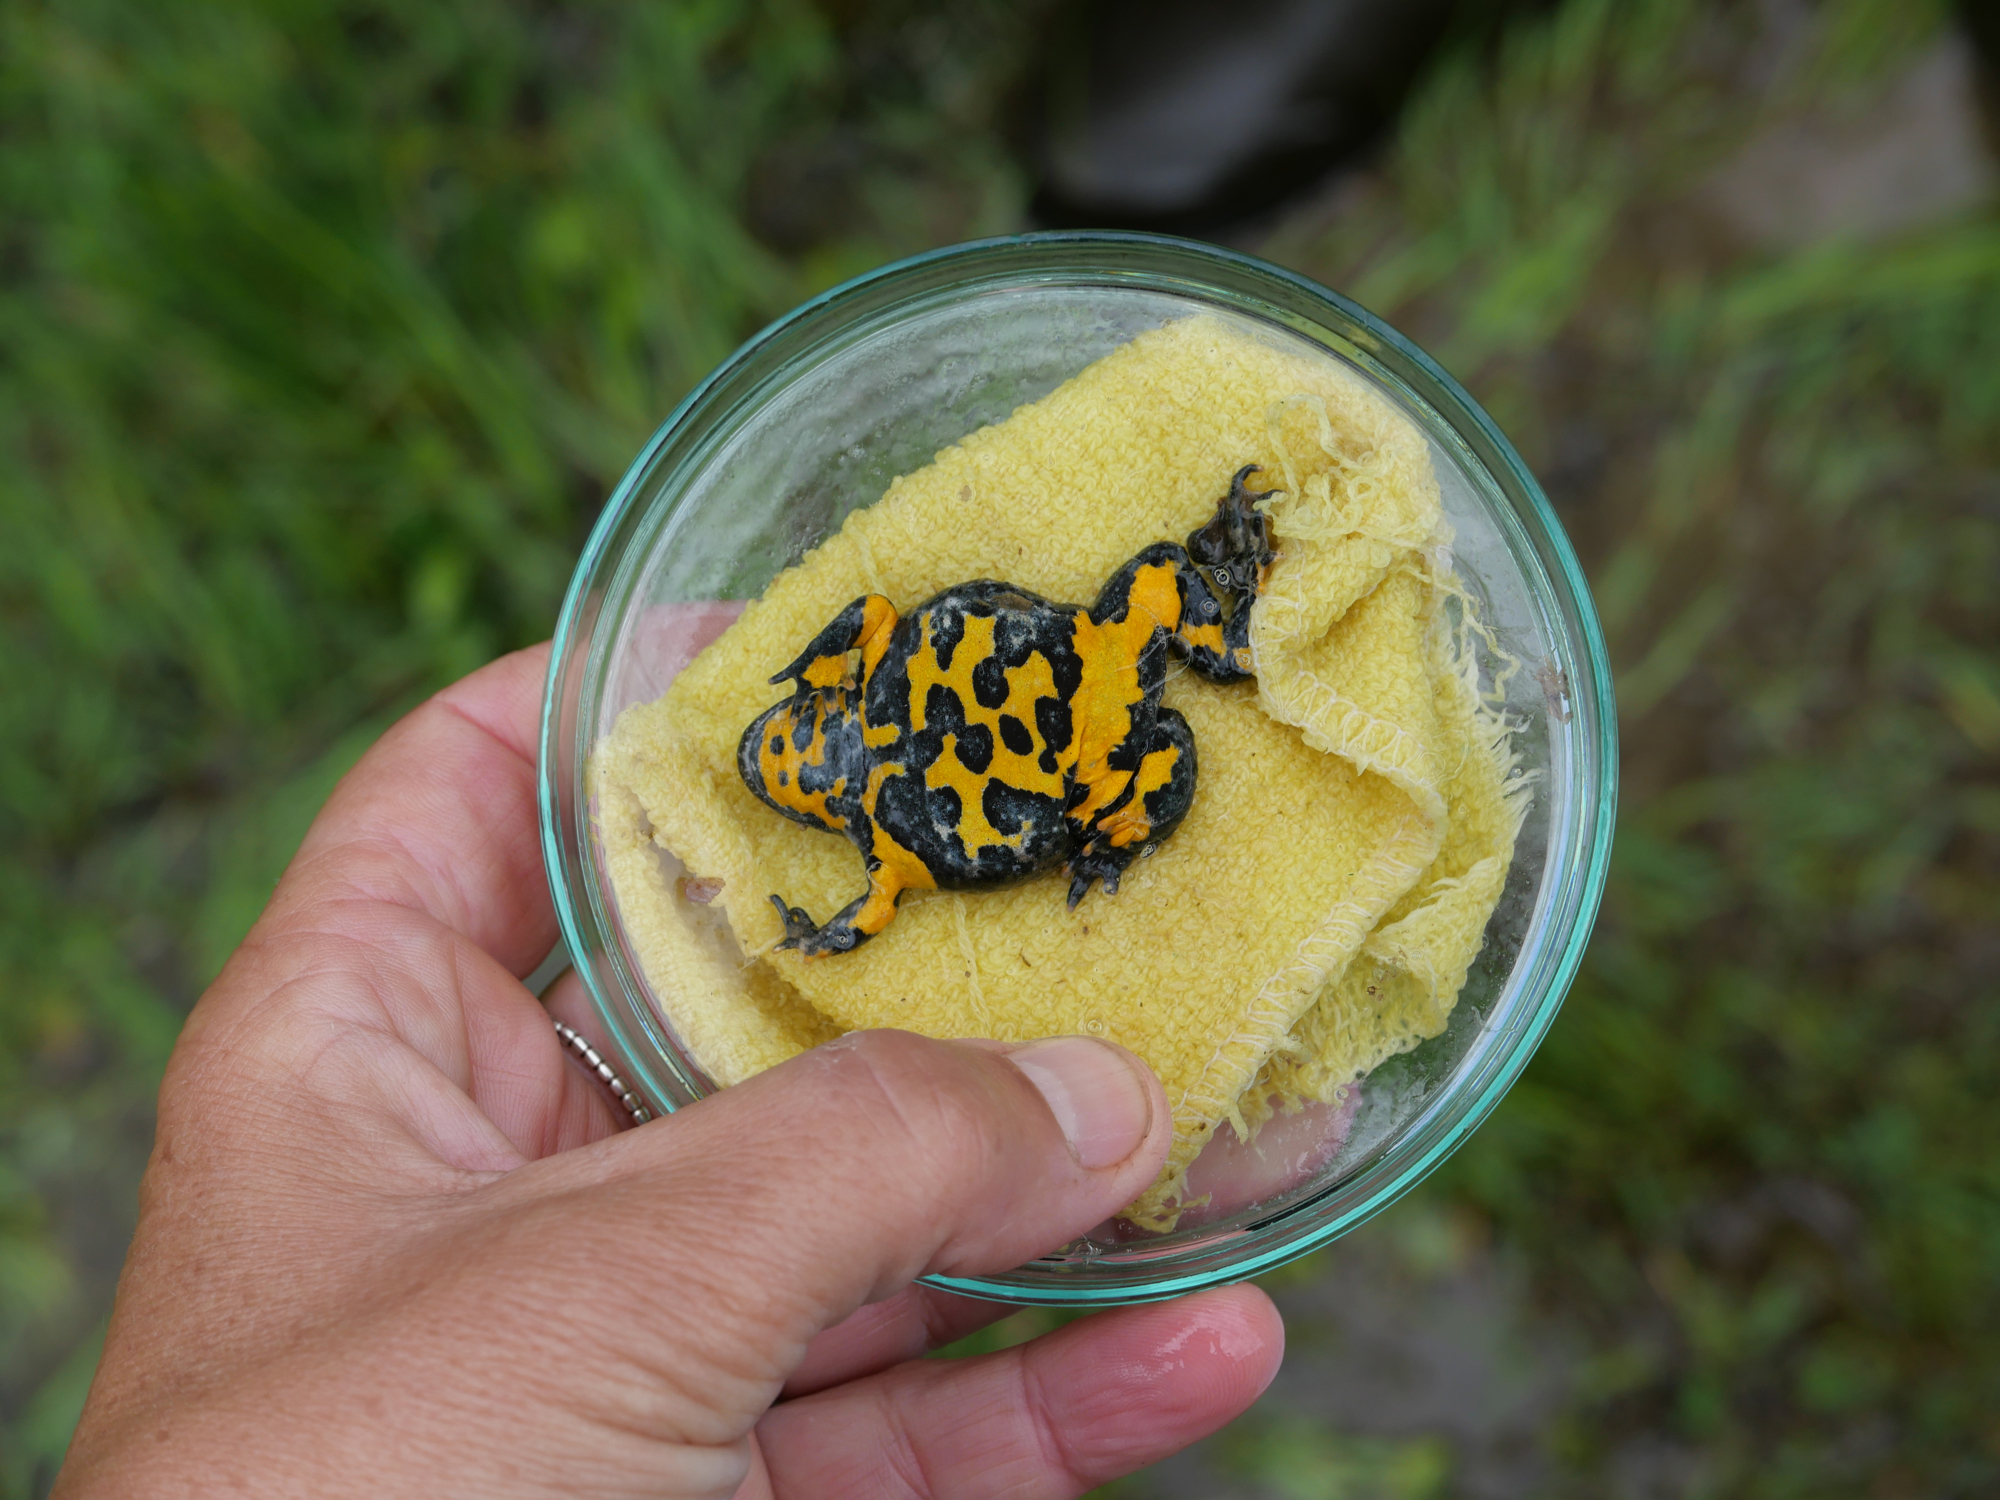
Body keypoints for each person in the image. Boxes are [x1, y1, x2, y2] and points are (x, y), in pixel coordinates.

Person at [51, 645, 1284, 1498]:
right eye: (791, 753)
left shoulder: (887, 834)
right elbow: (872, 872)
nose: (783, 754)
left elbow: (861, 908)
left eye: (795, 748)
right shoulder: (895, 822)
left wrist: (814, 932)